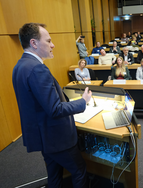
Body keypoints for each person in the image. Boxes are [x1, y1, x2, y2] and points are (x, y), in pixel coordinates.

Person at [12, 23, 92, 188]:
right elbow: (55, 109)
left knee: (54, 175)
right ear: (34, 43)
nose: (53, 45)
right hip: (57, 138)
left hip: (43, 137)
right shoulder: (37, 69)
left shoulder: (19, 66)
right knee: (79, 170)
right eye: (48, 41)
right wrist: (83, 101)